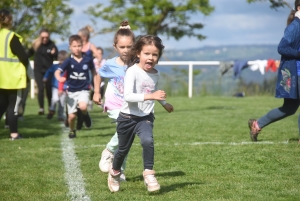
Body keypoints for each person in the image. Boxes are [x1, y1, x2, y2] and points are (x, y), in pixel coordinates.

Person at [107, 35, 174, 193]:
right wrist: (152, 96)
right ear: (138, 53)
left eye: (155, 54)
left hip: (145, 117)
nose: (150, 58)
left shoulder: (155, 74)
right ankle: (114, 173)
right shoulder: (132, 71)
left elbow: (152, 91)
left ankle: (149, 174)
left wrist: (164, 103)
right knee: (122, 150)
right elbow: (128, 97)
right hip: (127, 117)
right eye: (147, 54)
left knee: (147, 141)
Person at [248, 0, 300, 142]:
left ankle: (257, 124)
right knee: (289, 108)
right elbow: (281, 48)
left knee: (289, 108)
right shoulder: (295, 27)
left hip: (296, 72)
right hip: (296, 72)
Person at [97, 21, 135, 182]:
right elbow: (98, 74)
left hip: (129, 106)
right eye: (122, 47)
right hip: (113, 104)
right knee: (125, 133)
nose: (126, 50)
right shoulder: (110, 64)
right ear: (115, 47)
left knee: (126, 139)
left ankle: (119, 171)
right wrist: (96, 92)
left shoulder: (135, 63)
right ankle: (108, 150)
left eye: (129, 47)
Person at [55, 35, 101, 138]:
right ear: (70, 47)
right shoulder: (68, 61)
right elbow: (58, 72)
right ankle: (72, 130)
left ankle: (85, 115)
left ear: (82, 46)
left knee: (83, 106)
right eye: (74, 46)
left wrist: (95, 83)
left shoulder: (87, 59)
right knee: (71, 116)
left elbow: (94, 71)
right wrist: (59, 78)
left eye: (79, 46)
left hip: (84, 89)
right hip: (71, 92)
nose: (77, 48)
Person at [0, 9, 31, 140]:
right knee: (13, 106)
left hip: (0, 77)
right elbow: (23, 57)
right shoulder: (11, 36)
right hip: (12, 78)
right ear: (9, 20)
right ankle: (14, 134)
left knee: (1, 105)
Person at [28, 28, 58, 115]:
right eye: (43, 37)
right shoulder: (36, 45)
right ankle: (41, 108)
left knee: (49, 89)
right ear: (40, 37)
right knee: (40, 88)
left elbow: (57, 57)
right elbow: (27, 54)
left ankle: (50, 107)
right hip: (38, 70)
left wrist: (54, 53)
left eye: (46, 37)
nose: (45, 39)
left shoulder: (52, 45)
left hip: (49, 71)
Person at [43, 50, 68, 120]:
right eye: (61, 60)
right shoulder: (54, 66)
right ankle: (52, 110)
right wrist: (45, 77)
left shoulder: (67, 68)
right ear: (58, 59)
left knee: (62, 103)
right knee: (54, 99)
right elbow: (48, 71)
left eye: (64, 60)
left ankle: (60, 116)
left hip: (64, 88)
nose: (62, 62)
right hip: (55, 87)